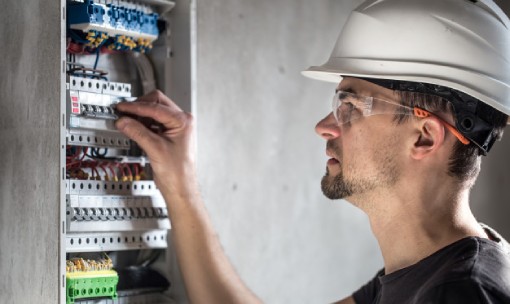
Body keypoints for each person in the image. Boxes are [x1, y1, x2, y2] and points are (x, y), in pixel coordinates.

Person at [115, 0, 510, 302]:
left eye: (351, 107)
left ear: (424, 137)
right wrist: (180, 185)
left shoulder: (462, 293)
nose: (325, 126)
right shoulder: (423, 273)